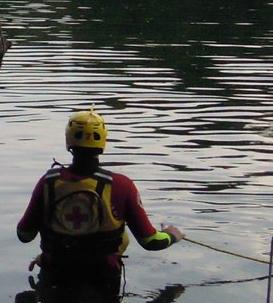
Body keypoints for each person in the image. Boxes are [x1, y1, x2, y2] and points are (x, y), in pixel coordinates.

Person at [16, 109, 184, 282]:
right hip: (104, 278)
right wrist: (171, 235)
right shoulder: (121, 185)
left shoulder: (48, 183)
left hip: (55, 273)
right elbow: (151, 241)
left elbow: (24, 235)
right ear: (103, 141)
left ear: (68, 140)